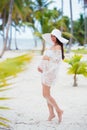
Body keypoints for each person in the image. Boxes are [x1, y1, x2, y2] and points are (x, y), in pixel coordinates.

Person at [37, 29, 68, 123]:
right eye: (51, 36)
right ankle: (51, 113)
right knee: (47, 94)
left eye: (54, 36)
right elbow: (48, 58)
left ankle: (59, 110)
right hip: (45, 71)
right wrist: (41, 66)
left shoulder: (58, 47)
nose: (52, 38)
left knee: (45, 94)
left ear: (58, 38)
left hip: (49, 72)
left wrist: (45, 66)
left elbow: (56, 61)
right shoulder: (53, 46)